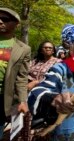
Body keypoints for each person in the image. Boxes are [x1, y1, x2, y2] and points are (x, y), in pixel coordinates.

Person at [0, 7, 31, 139]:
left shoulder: (23, 49)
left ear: (16, 24)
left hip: (1, 99)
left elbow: (22, 78)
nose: (0, 21)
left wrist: (22, 100)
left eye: (5, 19)